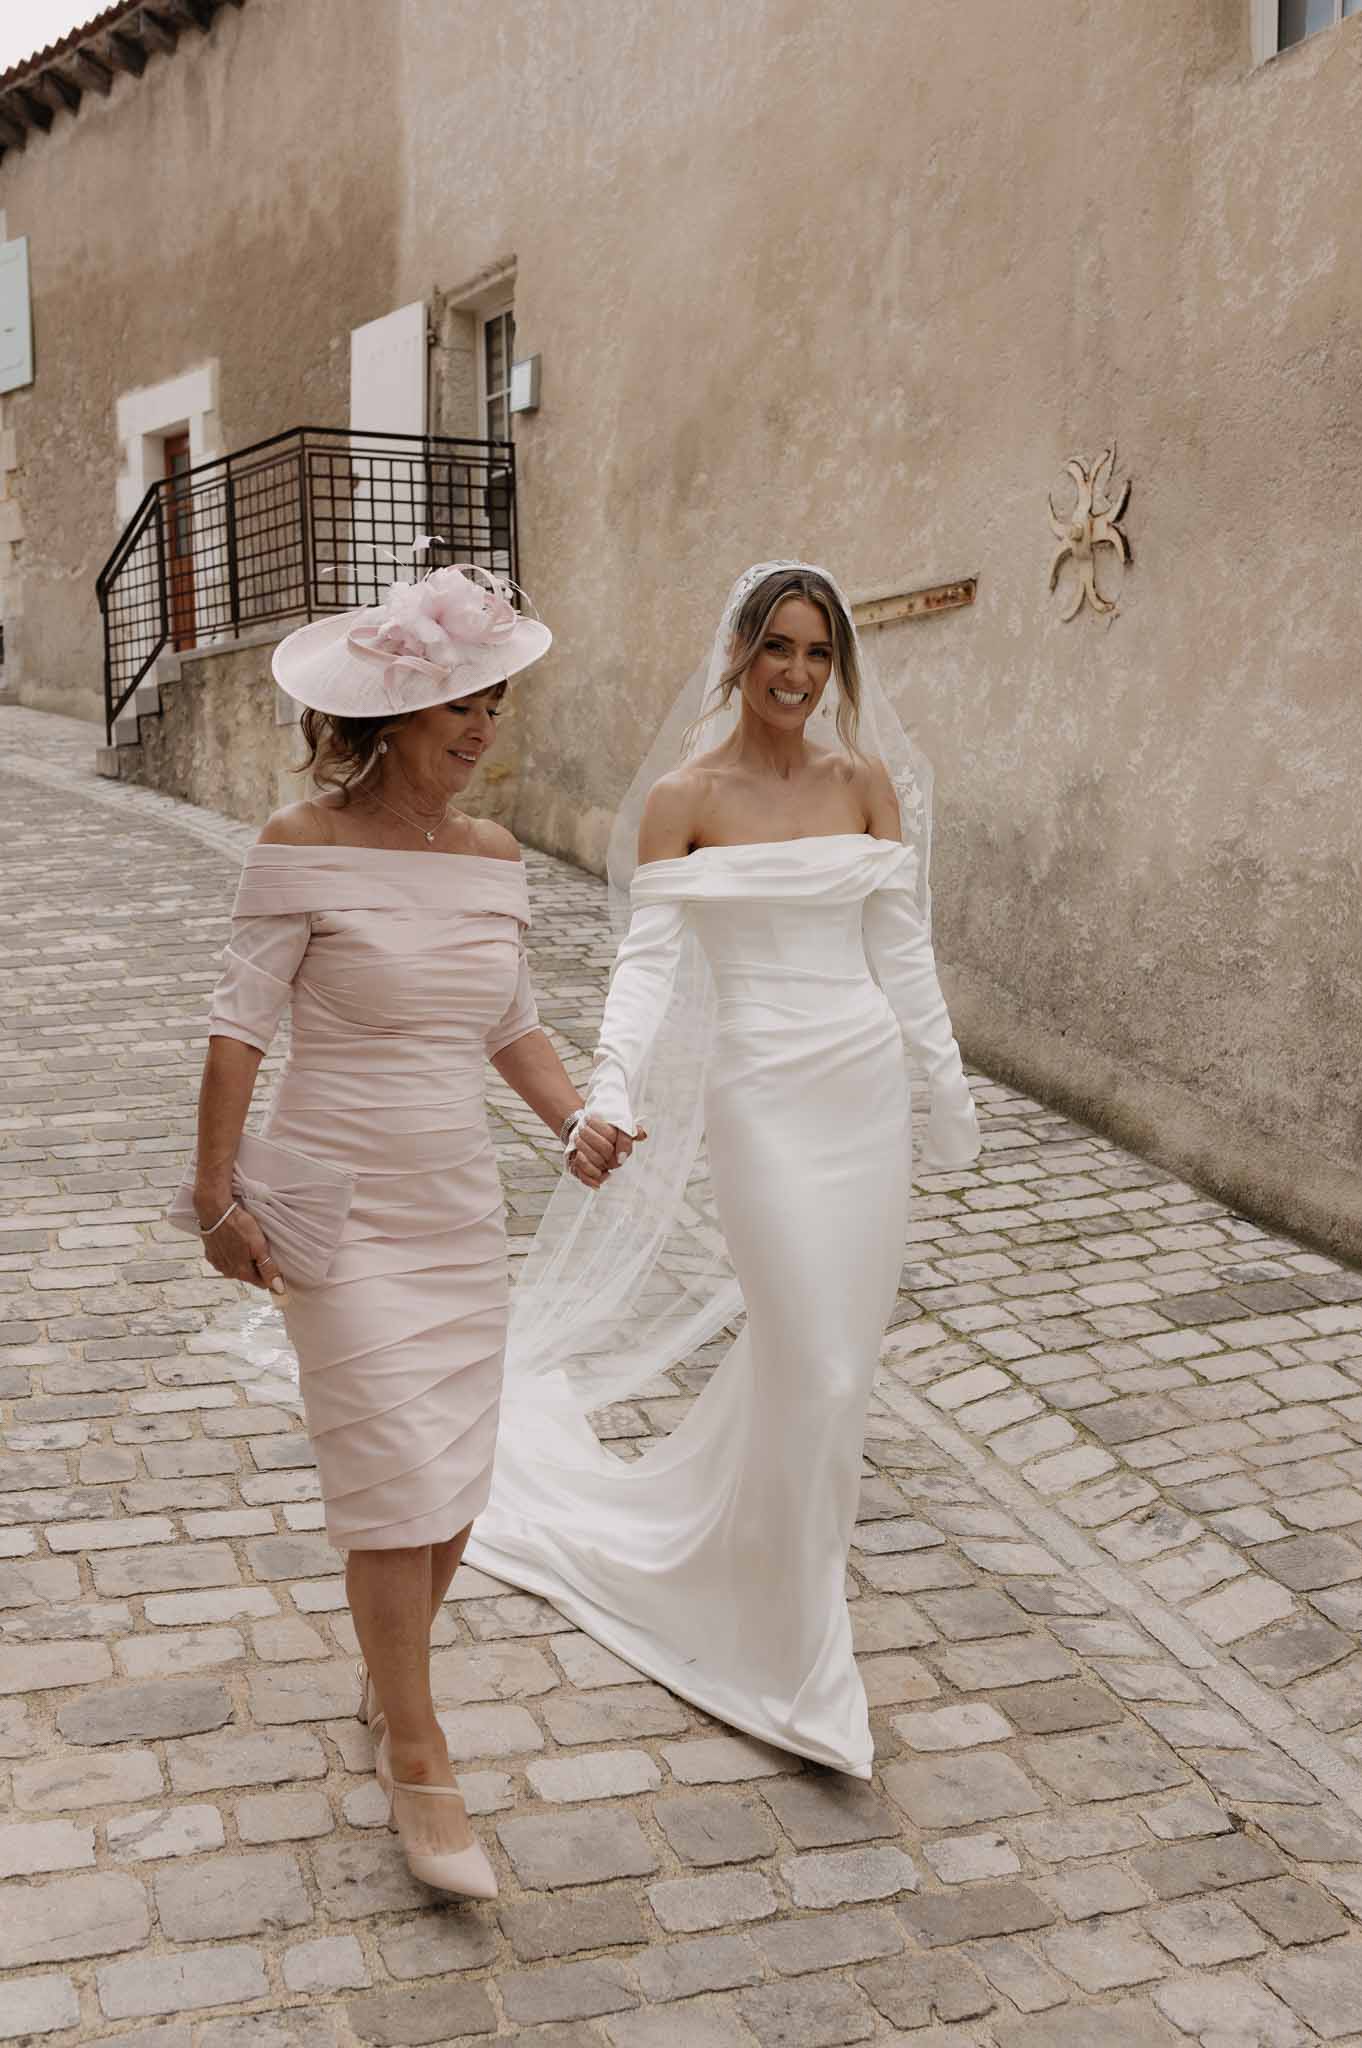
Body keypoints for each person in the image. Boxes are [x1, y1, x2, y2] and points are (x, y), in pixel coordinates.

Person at [467, 561, 981, 1779]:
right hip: (760, 1099)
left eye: (817, 653)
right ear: (738, 656)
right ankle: (796, 1648)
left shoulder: (866, 784)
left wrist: (945, 1085)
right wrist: (610, 1089)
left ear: (837, 665)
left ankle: (793, 1603)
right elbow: (648, 965)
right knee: (813, 1348)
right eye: (776, 651)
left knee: (836, 1370)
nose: (796, 675)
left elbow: (899, 952)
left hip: (861, 1093)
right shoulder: (683, 798)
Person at [188, 564, 624, 1896]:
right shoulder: (297, 846)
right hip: (333, 1199)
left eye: (491, 708)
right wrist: (215, 1199)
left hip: (452, 1206)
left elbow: (506, 1022)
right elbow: (237, 1027)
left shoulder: (492, 862)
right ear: (388, 718)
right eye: (458, 711)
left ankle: (391, 1676)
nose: (482, 734)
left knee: (452, 1491)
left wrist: (570, 1121)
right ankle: (417, 1751)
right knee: (390, 1481)